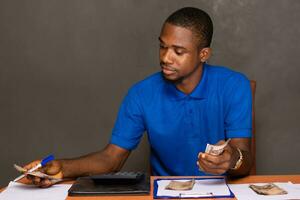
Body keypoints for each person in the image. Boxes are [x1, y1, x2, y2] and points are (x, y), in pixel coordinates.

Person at [24, 7, 253, 188]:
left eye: (178, 51)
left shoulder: (234, 86)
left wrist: (232, 159)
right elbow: (111, 159)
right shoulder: (141, 93)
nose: (166, 58)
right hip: (163, 194)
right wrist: (61, 167)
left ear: (203, 54)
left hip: (223, 192)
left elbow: (245, 159)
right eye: (162, 47)